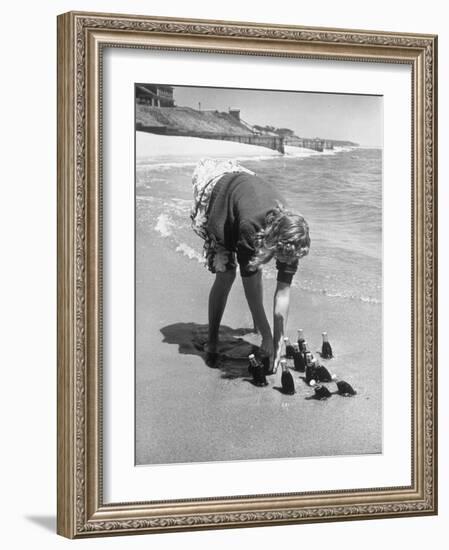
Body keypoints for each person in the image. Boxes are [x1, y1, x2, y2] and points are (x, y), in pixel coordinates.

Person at [191, 157, 310, 373]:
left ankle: (259, 326)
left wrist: (278, 338)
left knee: (255, 266)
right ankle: (213, 338)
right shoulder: (250, 227)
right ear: (275, 243)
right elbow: (250, 285)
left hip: (246, 191)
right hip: (219, 195)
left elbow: (283, 294)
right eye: (282, 257)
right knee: (227, 274)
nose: (285, 262)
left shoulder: (293, 235)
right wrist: (266, 334)